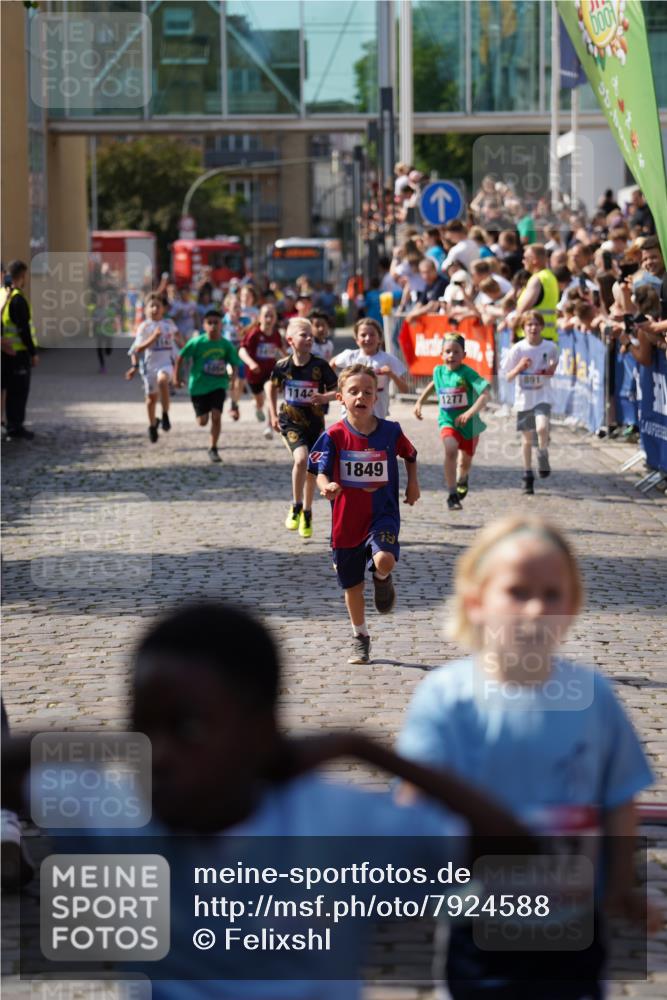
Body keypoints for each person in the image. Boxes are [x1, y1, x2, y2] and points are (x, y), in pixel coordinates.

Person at [1, 602, 533, 994]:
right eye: (144, 727)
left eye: (186, 728)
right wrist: (123, 746)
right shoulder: (120, 815)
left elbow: (517, 852)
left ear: (262, 732)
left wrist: (364, 748)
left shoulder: (338, 826)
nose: (158, 755)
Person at [397, 515, 654, 1000]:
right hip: (480, 929)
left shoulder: (593, 698)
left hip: (573, 929)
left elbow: (619, 797)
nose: (537, 609)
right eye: (517, 592)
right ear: (476, 602)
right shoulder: (447, 698)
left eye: (553, 594)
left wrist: (621, 886)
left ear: (573, 605)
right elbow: (415, 803)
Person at [308, 364, 420, 664]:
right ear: (340, 398)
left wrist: (413, 485)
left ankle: (383, 577)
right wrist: (326, 485)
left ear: (376, 396)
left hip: (382, 514)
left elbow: (410, 455)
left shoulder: (391, 431)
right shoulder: (333, 435)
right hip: (346, 523)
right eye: (353, 391)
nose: (361, 396)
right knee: (352, 585)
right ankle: (360, 636)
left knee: (384, 558)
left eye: (367, 392)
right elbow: (317, 470)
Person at [268, 318, 338, 539]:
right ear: (290, 340)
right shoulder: (282, 366)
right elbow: (271, 387)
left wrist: (322, 397)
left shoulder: (320, 366)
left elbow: (338, 391)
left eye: (311, 335)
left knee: (311, 470)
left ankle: (307, 512)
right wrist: (271, 414)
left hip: (315, 425)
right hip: (290, 423)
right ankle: (296, 506)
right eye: (303, 335)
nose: (309, 338)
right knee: (301, 459)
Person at [414, 334, 490, 510]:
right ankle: (452, 494)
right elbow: (434, 384)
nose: (451, 355)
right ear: (441, 354)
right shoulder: (438, 371)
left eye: (456, 352)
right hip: (448, 421)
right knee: (450, 450)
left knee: (464, 463)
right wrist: (420, 402)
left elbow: (486, 394)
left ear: (464, 354)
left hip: (470, 426)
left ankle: (462, 478)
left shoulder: (468, 373)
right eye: (448, 351)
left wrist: (470, 413)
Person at [173, 309, 258, 463]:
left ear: (221, 325)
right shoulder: (197, 342)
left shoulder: (225, 345)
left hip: (218, 384)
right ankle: (201, 418)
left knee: (217, 416)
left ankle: (213, 448)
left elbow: (234, 362)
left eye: (216, 322)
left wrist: (232, 380)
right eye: (209, 323)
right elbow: (181, 357)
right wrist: (176, 378)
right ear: (204, 325)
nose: (213, 325)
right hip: (198, 386)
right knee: (202, 421)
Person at [502, 310, 560, 494]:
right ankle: (527, 474)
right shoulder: (518, 349)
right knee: (527, 440)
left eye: (536, 324)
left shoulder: (550, 347)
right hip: (524, 400)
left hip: (542, 397)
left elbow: (554, 365)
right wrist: (520, 367)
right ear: (523, 328)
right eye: (529, 324)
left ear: (542, 327)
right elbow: (508, 376)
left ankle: (542, 453)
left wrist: (550, 370)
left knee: (542, 428)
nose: (533, 328)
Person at [126, 293, 183, 443]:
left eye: (158, 305)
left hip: (166, 364)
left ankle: (165, 415)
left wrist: (182, 342)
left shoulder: (169, 324)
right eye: (151, 305)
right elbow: (137, 349)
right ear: (145, 309)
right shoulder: (144, 327)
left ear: (164, 308)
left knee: (163, 381)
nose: (154, 308)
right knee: (151, 400)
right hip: (150, 366)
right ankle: (152, 425)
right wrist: (153, 337)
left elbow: (180, 340)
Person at [330, 318, 407, 420]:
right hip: (350, 416)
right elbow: (331, 364)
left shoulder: (388, 359)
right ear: (356, 339)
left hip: (377, 415)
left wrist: (391, 374)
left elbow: (404, 389)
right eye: (363, 335)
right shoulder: (350, 356)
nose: (367, 338)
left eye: (372, 335)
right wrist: (337, 386)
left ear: (380, 338)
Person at [1, 260, 38, 441]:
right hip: (18, 353)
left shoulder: (3, 295)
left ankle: (9, 424)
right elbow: (24, 330)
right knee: (18, 392)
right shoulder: (17, 298)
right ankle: (15, 427)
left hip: (5, 352)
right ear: (22, 276)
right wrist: (33, 353)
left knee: (7, 390)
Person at [239, 302, 286, 437]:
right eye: (266, 316)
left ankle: (270, 425)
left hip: (269, 373)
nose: (269, 319)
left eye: (272, 316)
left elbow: (282, 352)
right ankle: (257, 406)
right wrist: (251, 363)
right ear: (260, 318)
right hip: (254, 375)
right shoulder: (254, 333)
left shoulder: (276, 334)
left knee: (271, 394)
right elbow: (241, 351)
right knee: (260, 401)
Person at [508, 243, 560, 343]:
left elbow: (523, 309)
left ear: (534, 260)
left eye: (525, 258)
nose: (523, 261)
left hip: (532, 338)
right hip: (547, 336)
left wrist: (513, 328)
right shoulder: (550, 277)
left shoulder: (537, 279)